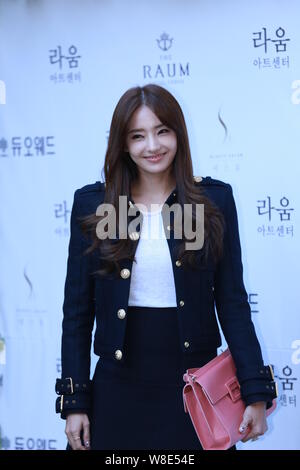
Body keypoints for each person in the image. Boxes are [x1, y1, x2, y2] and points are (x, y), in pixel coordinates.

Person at [55, 83, 277, 450]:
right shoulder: (100, 206)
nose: (153, 146)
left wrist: (255, 389)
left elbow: (233, 303)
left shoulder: (208, 203)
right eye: (138, 136)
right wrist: (75, 402)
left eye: (162, 131)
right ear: (123, 144)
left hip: (193, 390)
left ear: (179, 134)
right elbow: (77, 313)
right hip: (117, 389)